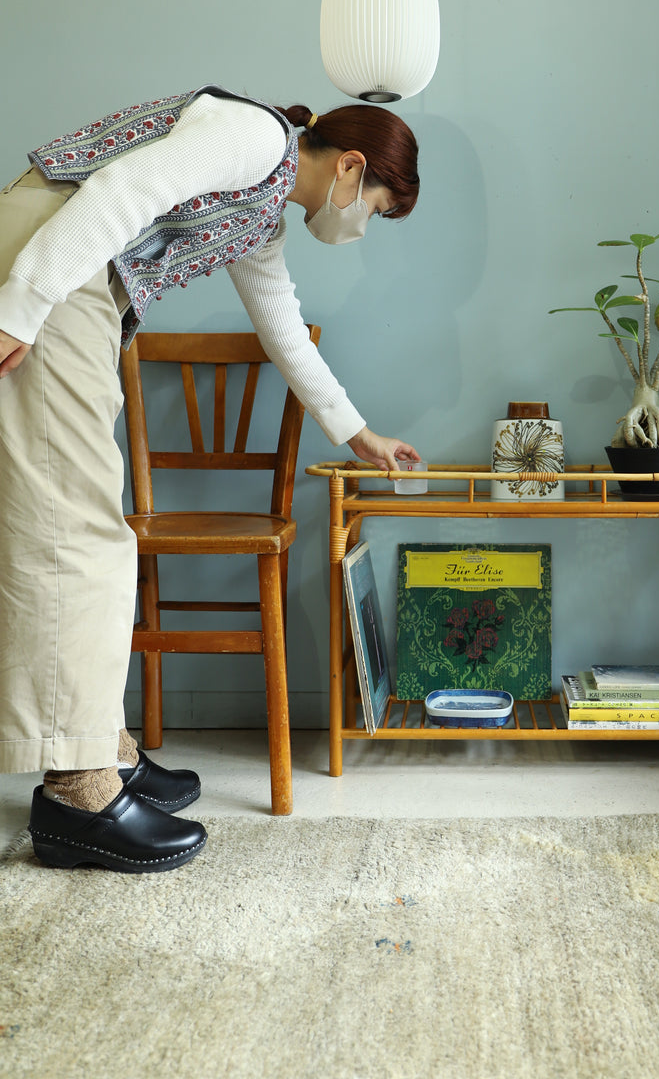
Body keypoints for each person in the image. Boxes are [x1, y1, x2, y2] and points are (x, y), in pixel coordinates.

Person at [0, 85, 421, 872]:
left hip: (73, 267)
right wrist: (19, 306)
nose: (361, 227)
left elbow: (282, 328)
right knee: (75, 528)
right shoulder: (253, 138)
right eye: (375, 208)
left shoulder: (262, 208)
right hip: (57, 258)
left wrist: (357, 434)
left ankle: (104, 750)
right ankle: (75, 794)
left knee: (89, 523)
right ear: (351, 168)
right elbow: (123, 190)